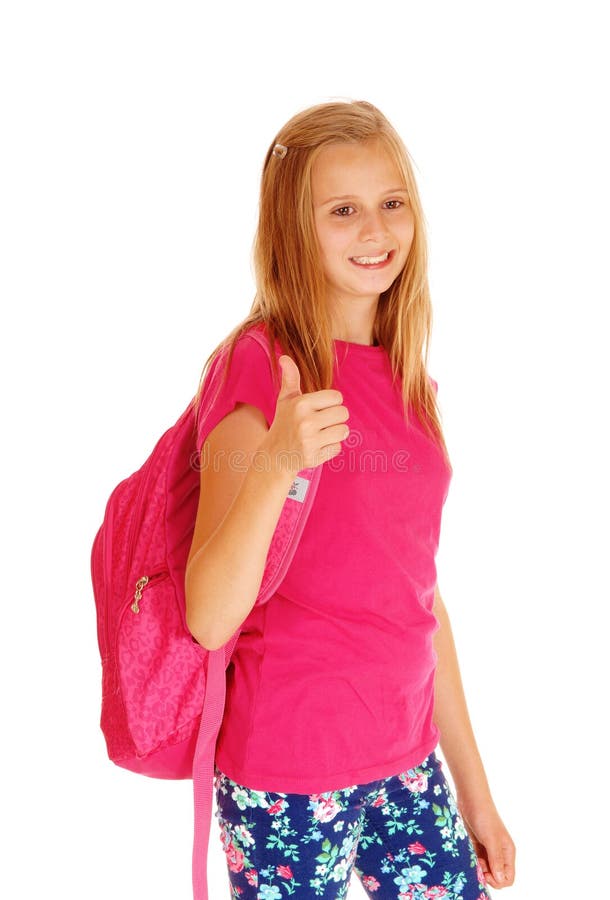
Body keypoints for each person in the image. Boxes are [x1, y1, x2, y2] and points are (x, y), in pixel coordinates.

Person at [185, 100, 516, 899]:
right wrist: (276, 462)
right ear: (293, 230)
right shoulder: (260, 367)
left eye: (391, 202)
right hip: (290, 782)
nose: (376, 230)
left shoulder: (408, 379)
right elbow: (207, 614)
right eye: (343, 211)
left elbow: (419, 599)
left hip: (407, 764)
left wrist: (476, 794)